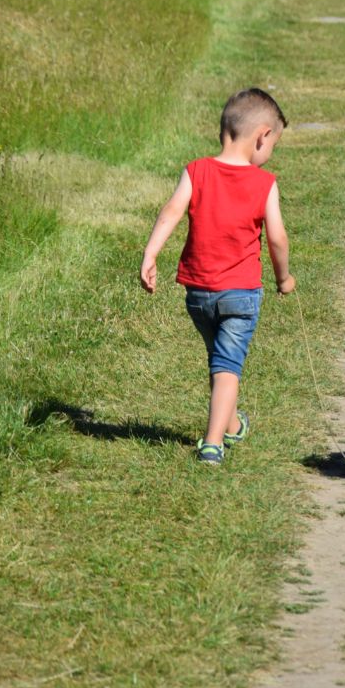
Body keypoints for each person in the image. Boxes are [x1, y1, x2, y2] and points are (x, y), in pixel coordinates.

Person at [140, 87, 296, 465]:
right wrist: (284, 277)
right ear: (262, 135)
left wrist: (151, 252)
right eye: (273, 142)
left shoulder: (197, 170)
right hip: (240, 294)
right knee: (228, 365)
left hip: (198, 293)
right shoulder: (264, 183)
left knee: (219, 358)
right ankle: (213, 443)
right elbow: (276, 237)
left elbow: (171, 211)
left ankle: (229, 424)